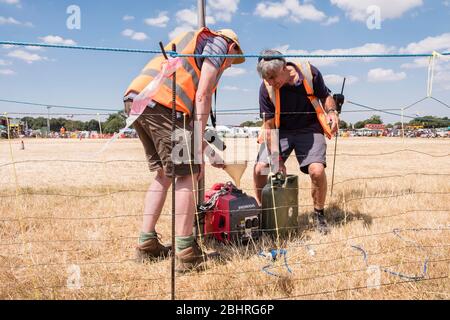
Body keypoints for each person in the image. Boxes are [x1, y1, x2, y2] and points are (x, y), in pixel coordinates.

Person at [123, 28, 245, 272]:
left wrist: (210, 152)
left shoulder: (194, 47)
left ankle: (147, 244)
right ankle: (186, 252)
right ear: (232, 47)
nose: (229, 66)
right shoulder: (219, 45)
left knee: (164, 174)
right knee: (187, 174)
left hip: (139, 101)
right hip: (165, 105)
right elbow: (201, 99)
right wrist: (198, 153)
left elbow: (189, 123)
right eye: (233, 61)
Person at [253, 49, 339, 234]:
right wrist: (277, 160)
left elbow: (326, 96)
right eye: (266, 79)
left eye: (273, 77)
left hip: (310, 128)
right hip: (279, 130)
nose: (270, 83)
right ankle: (262, 212)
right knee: (260, 168)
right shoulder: (265, 88)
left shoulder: (310, 73)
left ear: (285, 67)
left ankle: (319, 215)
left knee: (317, 171)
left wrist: (332, 112)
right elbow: (269, 128)